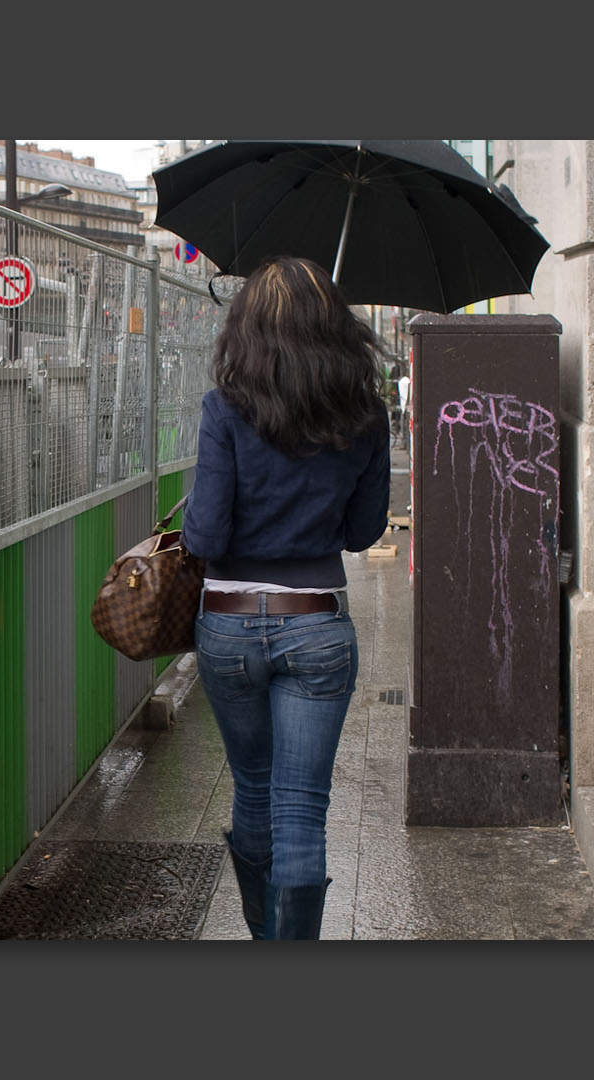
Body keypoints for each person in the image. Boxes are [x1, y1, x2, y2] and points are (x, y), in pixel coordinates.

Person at [180, 256, 391, 939]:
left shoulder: (225, 410)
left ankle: (261, 935)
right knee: (301, 808)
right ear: (336, 331)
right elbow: (363, 532)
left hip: (231, 625)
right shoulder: (364, 416)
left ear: (246, 331)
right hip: (318, 624)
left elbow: (206, 533)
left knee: (254, 790)